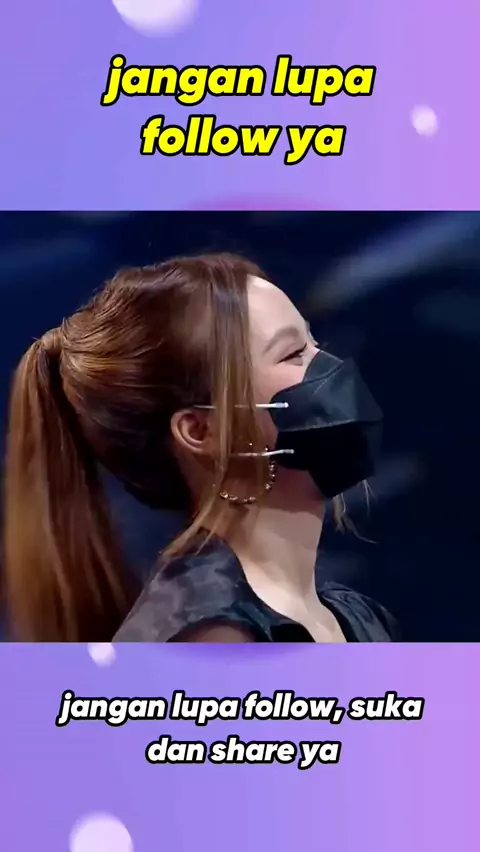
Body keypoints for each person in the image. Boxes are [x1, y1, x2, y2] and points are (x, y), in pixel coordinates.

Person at [3, 253, 396, 643]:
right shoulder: (212, 634)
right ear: (201, 430)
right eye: (293, 354)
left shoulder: (351, 615)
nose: (330, 365)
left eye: (313, 343)